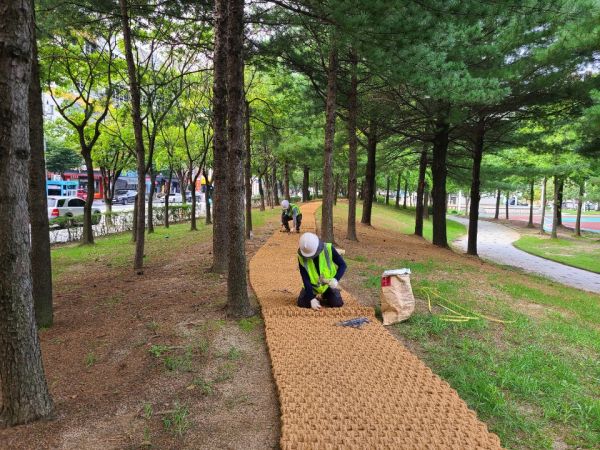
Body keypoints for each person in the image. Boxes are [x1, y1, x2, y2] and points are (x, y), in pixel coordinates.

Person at [297, 232, 347, 310]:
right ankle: (313, 297)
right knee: (302, 303)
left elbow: (343, 265)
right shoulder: (301, 257)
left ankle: (326, 295)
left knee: (337, 303)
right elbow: (305, 278)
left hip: (328, 285)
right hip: (312, 287)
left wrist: (335, 279)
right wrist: (311, 299)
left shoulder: (328, 248)